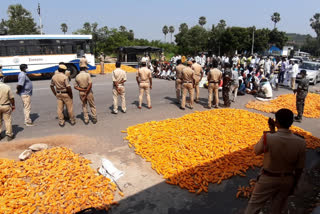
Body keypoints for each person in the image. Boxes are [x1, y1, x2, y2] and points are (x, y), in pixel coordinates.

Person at [245, 108, 305, 214]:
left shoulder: (268, 138)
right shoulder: (301, 142)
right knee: (276, 209)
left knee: (253, 206)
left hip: (268, 178)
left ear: (276, 122)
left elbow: (256, 151)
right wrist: (294, 184)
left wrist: (271, 131)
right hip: (287, 180)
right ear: (291, 122)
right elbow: (299, 168)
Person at [0, 73, 15, 141]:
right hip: (6, 106)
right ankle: (9, 135)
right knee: (7, 121)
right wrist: (13, 105)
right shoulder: (7, 86)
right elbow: (11, 98)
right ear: (2, 78)